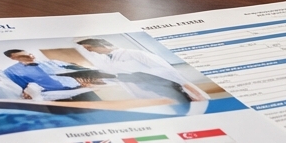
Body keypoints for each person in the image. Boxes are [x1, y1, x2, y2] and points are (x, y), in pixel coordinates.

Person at [75, 39, 208, 103]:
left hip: (174, 94)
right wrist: (95, 84)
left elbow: (170, 73)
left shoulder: (136, 54)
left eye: (90, 48)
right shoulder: (108, 60)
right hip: (147, 97)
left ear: (102, 45)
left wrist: (195, 94)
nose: (90, 51)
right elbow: (119, 77)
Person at [1, 49, 100, 101]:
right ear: (13, 58)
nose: (29, 56)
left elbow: (81, 70)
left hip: (80, 87)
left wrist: (85, 82)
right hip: (54, 96)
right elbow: (20, 89)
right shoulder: (11, 72)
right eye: (23, 56)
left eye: (29, 54)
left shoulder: (51, 63)